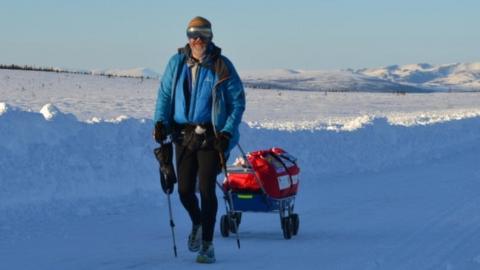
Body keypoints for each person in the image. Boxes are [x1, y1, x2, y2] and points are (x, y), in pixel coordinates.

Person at [153, 16, 245, 263]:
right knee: (184, 190)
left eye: (202, 34)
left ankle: (207, 244)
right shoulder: (177, 63)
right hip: (183, 134)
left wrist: (226, 132)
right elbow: (163, 96)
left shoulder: (221, 65)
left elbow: (237, 102)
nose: (197, 40)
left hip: (213, 137)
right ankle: (197, 222)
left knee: (205, 187)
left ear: (210, 37)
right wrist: (160, 124)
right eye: (192, 34)